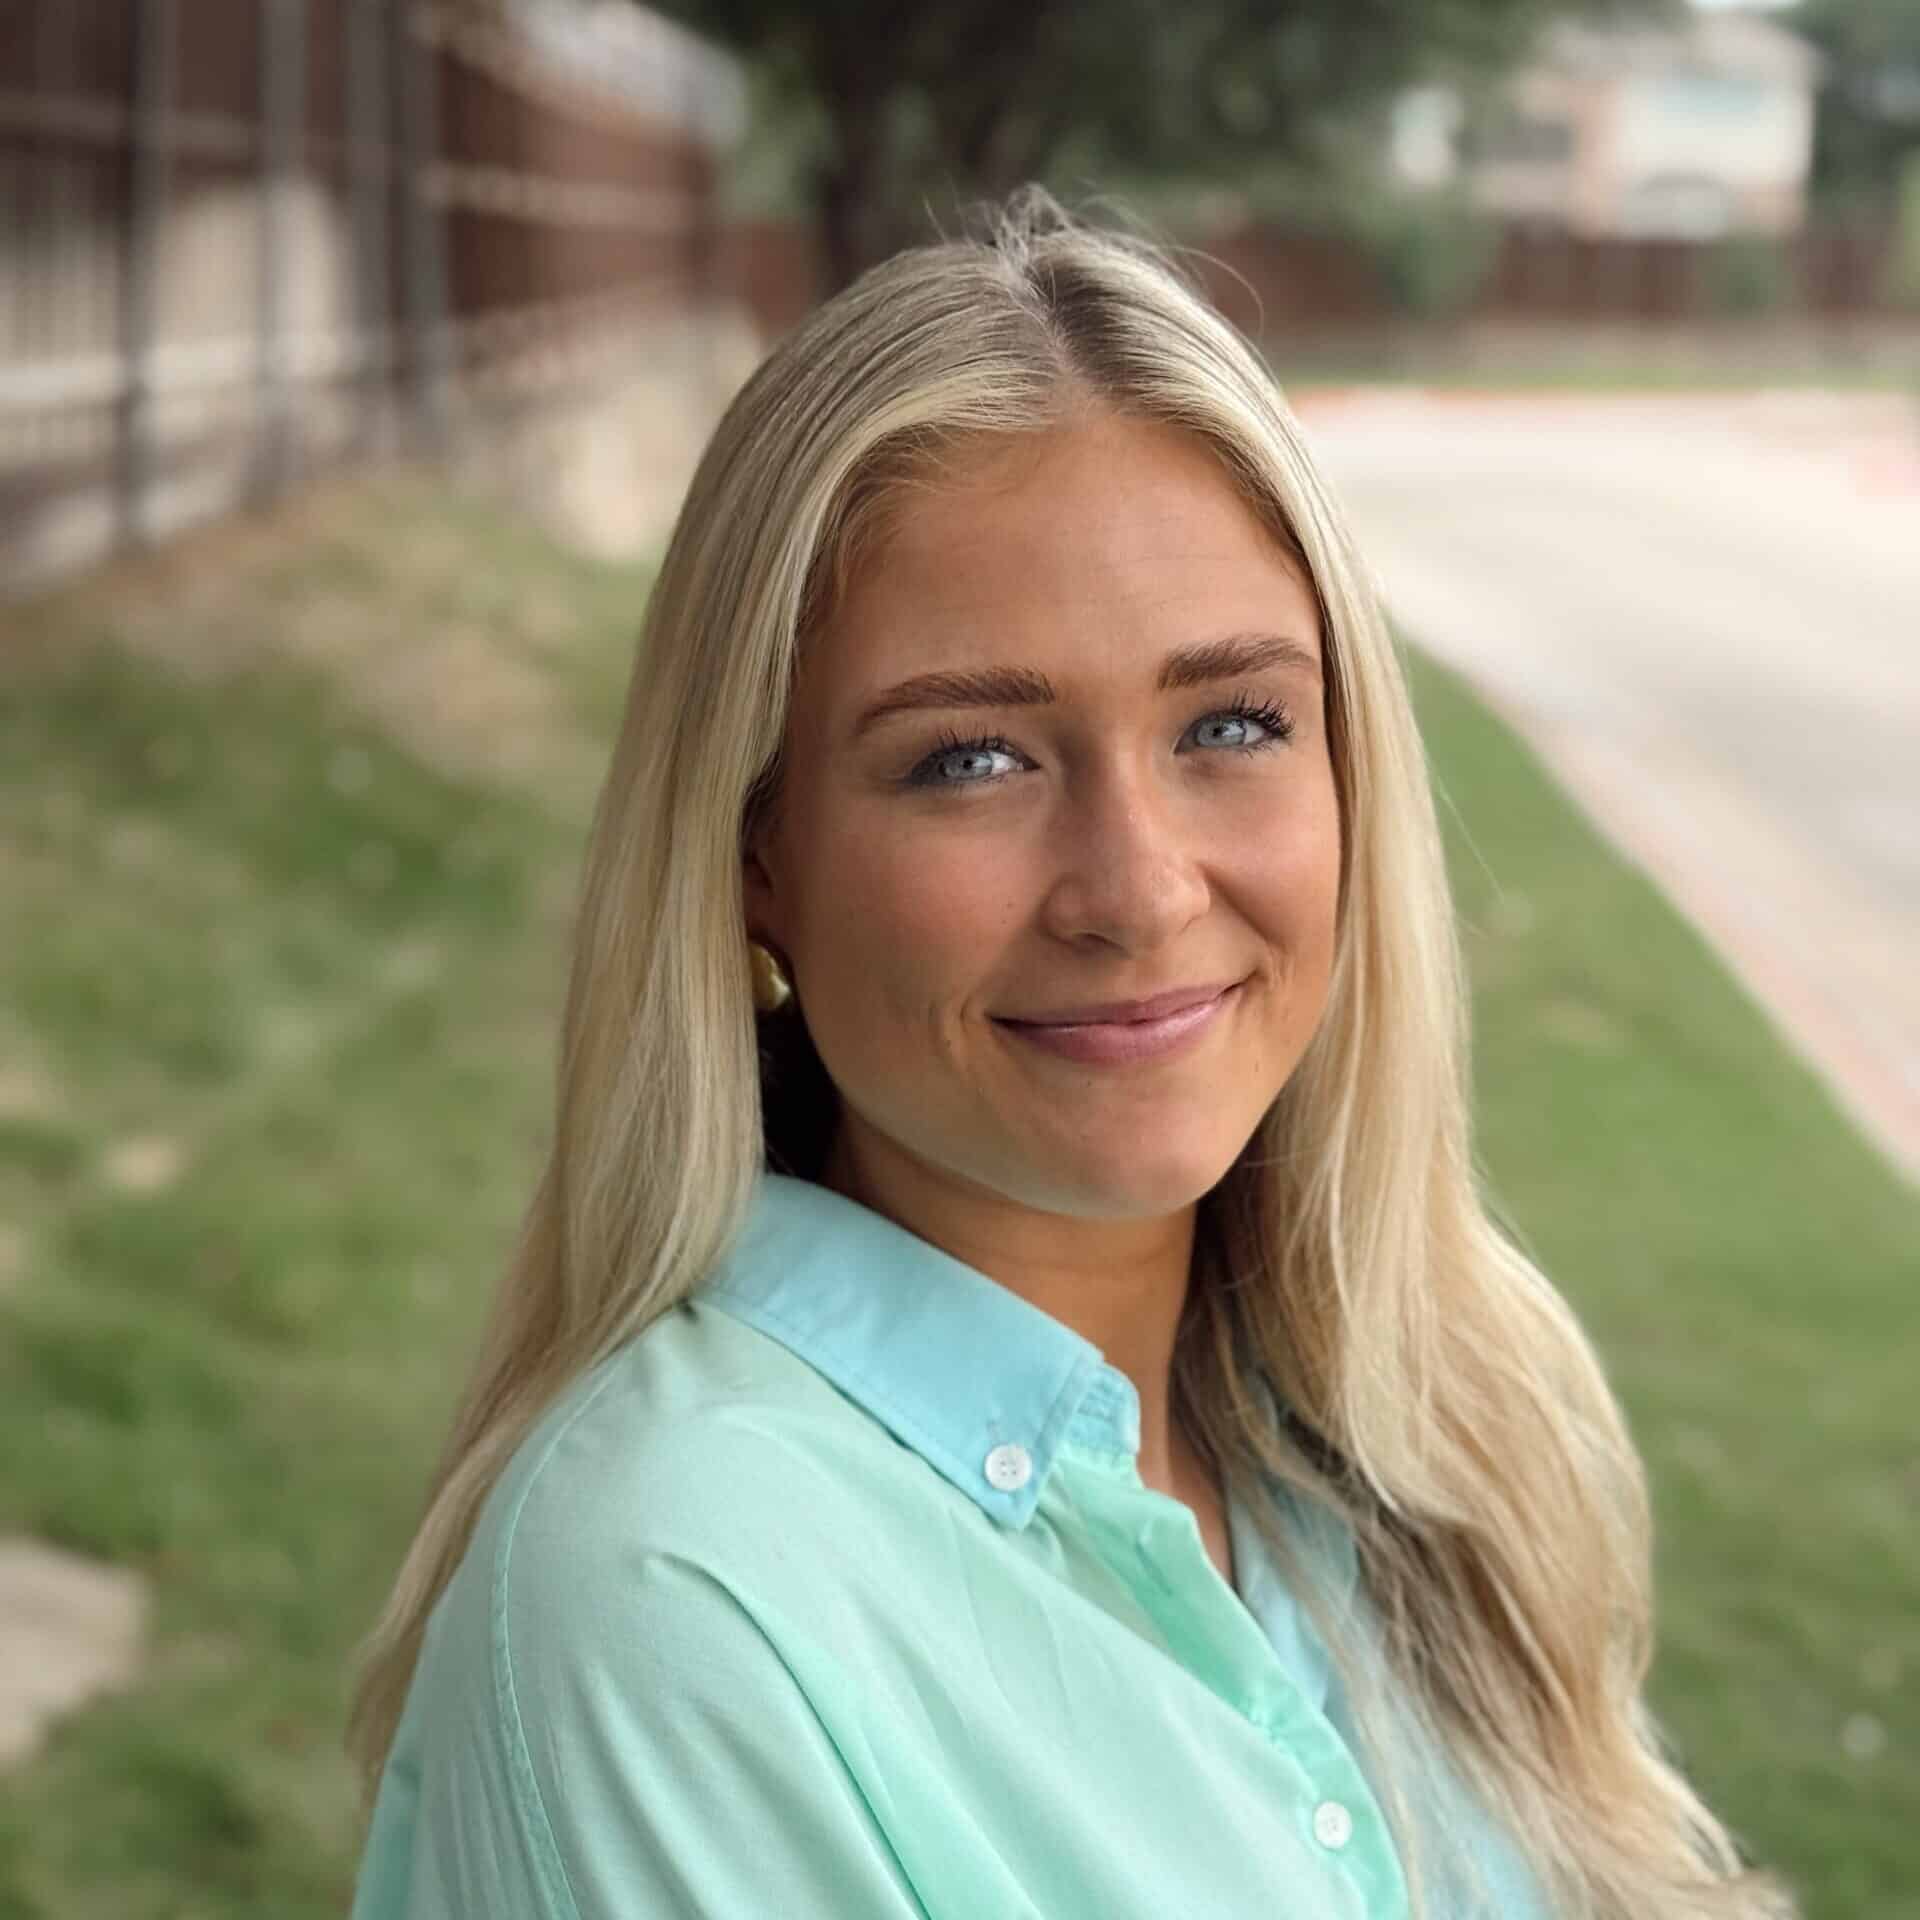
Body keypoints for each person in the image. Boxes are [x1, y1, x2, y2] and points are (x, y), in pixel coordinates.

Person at [342, 187, 1797, 1920]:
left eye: (1233, 723)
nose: (1141, 890)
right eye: (972, 759)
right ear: (753, 854)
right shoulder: (680, 1601)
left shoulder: (1418, 1436)